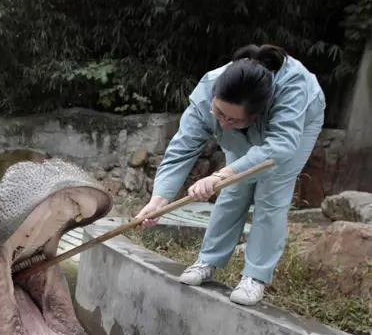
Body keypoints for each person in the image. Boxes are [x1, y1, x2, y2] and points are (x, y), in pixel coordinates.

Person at [134, 44, 326, 306]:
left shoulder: (292, 87)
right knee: (234, 188)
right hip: (246, 120)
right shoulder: (208, 92)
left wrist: (224, 173)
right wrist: (159, 199)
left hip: (298, 126)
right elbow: (182, 149)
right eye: (219, 113)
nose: (223, 125)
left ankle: (255, 276)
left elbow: (281, 144)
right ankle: (209, 260)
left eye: (232, 121)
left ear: (258, 114)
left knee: (271, 191)